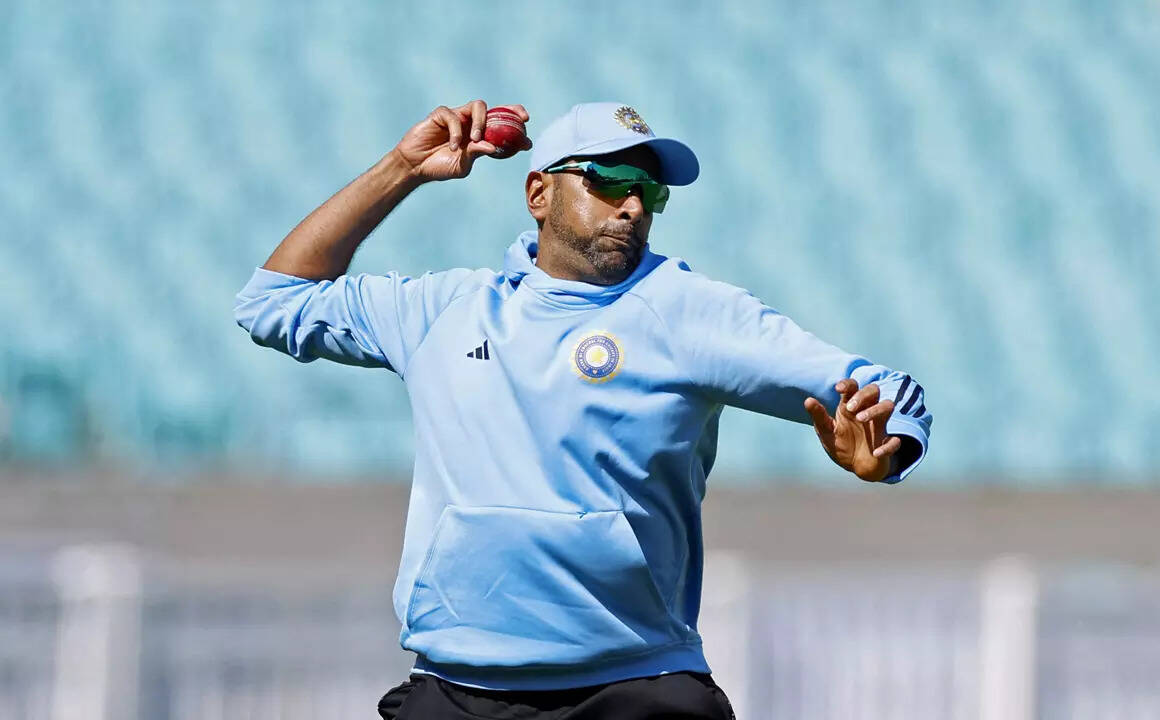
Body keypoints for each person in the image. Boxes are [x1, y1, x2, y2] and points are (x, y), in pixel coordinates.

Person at [234, 100, 932, 720]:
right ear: (539, 192)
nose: (633, 207)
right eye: (610, 181)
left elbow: (888, 391)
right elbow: (273, 302)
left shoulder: (689, 310)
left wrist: (886, 449)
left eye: (650, 192)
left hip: (636, 689)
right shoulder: (444, 308)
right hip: (457, 689)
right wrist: (403, 169)